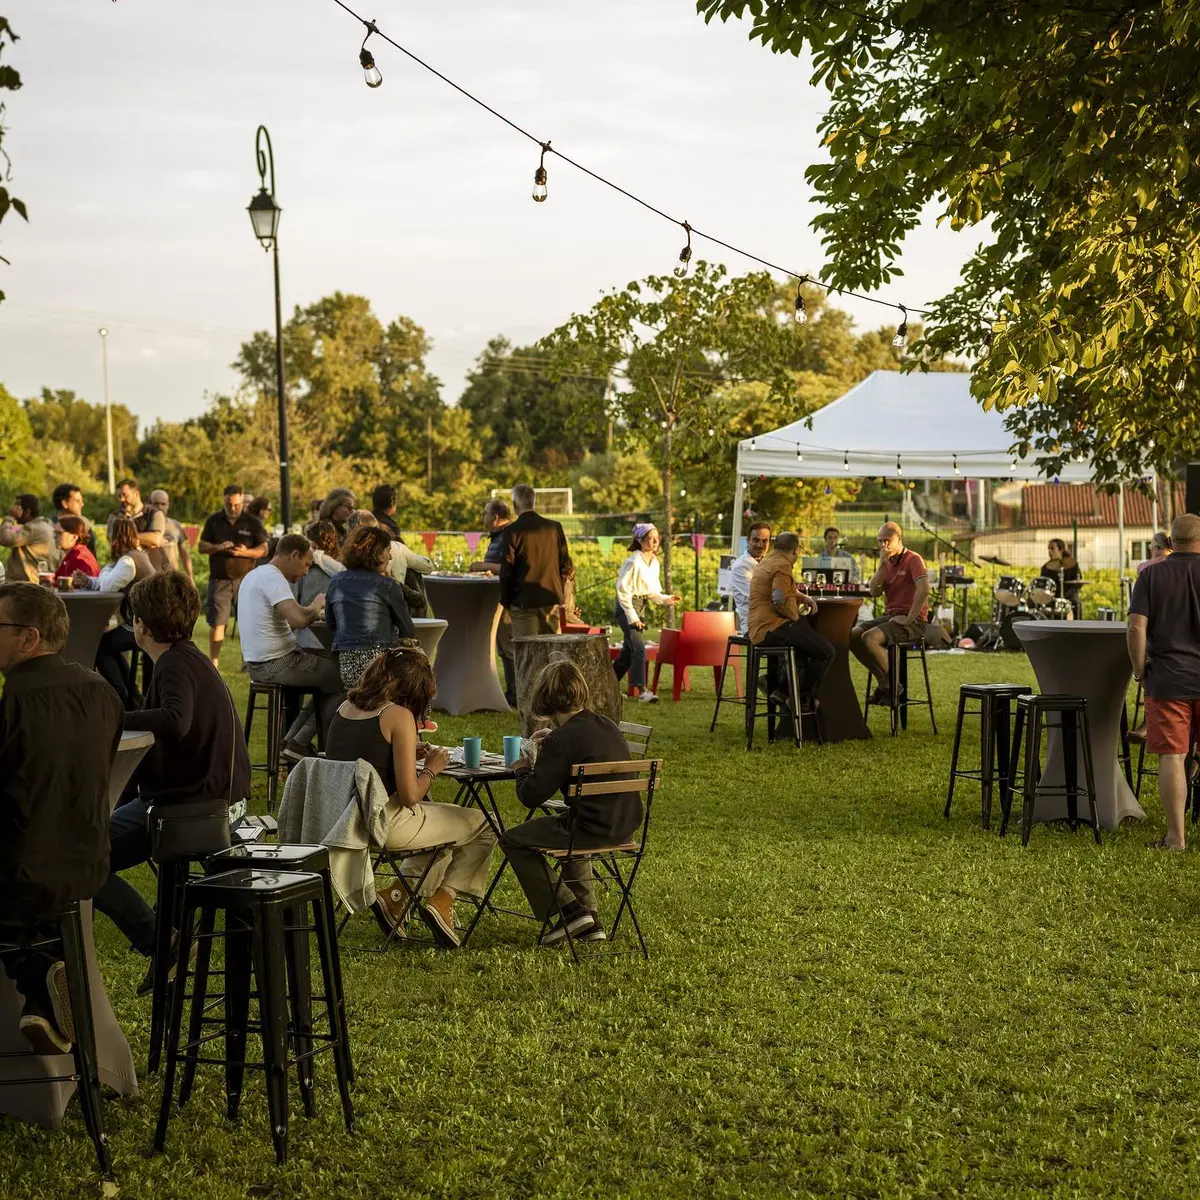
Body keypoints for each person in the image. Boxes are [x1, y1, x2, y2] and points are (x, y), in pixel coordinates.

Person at [94, 571, 250, 992]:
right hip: (207, 796)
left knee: (81, 855)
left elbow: (176, 720)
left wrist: (115, 717)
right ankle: (162, 942)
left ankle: (161, 941)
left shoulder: (175, 664)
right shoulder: (187, 656)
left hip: (196, 806)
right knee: (90, 839)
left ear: (140, 624)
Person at [0, 583, 123, 1053]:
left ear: (29, 638)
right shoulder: (104, 693)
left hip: (21, 873)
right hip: (88, 865)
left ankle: (41, 971)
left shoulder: (15, 704)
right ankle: (46, 985)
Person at [325, 645, 496, 948]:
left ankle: (395, 899)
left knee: (441, 840)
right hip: (386, 825)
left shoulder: (342, 709)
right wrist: (431, 768)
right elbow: (410, 796)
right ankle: (443, 900)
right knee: (484, 824)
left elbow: (366, 758)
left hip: (346, 823)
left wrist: (403, 753)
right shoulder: (398, 715)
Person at [501, 658, 636, 946]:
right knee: (572, 836)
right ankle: (590, 923)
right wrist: (555, 740)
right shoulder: (606, 725)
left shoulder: (560, 741)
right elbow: (580, 745)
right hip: (625, 825)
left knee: (512, 839)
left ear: (544, 698)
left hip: (589, 829)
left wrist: (522, 768)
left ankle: (568, 910)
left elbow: (531, 796)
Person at [1128, 513, 1200, 851]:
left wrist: (1140, 670)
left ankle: (1175, 838)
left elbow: (1135, 628)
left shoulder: (1151, 575)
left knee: (1173, 757)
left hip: (1168, 679)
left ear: (1169, 543)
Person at [237, 533, 342, 754]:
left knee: (331, 671)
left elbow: (289, 621)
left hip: (263, 663)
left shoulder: (257, 574)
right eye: (305, 565)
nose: (305, 572)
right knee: (348, 676)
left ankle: (291, 741)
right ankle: (299, 741)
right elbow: (300, 619)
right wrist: (317, 605)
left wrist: (312, 611)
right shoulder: (272, 577)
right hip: (278, 664)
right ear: (294, 555)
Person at [75, 516, 156, 706]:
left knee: (100, 646)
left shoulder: (128, 561)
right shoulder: (136, 556)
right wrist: (88, 581)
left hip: (146, 625)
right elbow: (106, 581)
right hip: (148, 621)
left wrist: (105, 570)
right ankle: (130, 695)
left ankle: (123, 695)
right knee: (107, 644)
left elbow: (106, 586)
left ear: (115, 539)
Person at [747, 530, 833, 707]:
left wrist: (802, 598)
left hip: (757, 628)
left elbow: (782, 589)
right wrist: (795, 617)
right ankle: (801, 698)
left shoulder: (768, 560)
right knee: (825, 652)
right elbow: (779, 600)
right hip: (771, 627)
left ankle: (781, 689)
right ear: (795, 550)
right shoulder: (783, 566)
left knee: (804, 649)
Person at [324, 525, 416, 687]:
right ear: (378, 553)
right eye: (388, 551)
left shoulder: (336, 581)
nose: (391, 557)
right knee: (420, 674)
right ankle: (414, 713)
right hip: (380, 667)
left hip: (347, 668)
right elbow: (408, 630)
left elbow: (331, 623)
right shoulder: (388, 585)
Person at [850, 522, 930, 704]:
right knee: (852, 636)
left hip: (914, 621)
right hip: (891, 616)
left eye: (887, 540)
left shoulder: (913, 559)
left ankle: (894, 686)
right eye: (880, 541)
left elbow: (924, 590)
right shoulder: (886, 563)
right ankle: (885, 682)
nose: (883, 546)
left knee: (870, 638)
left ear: (899, 539)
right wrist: (881, 566)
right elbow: (874, 592)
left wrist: (910, 618)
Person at [197, 485, 270, 669]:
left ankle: (247, 661)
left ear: (242, 501)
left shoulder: (252, 522)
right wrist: (218, 547)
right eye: (230, 504)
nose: (233, 508)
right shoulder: (214, 521)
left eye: (237, 504)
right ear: (224, 500)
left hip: (246, 579)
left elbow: (264, 549)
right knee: (218, 622)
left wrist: (247, 552)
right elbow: (201, 546)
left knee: (247, 621)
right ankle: (214, 662)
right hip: (219, 578)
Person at [613, 523, 680, 703]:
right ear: (640, 541)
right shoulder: (633, 561)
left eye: (657, 537)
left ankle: (607, 686)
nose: (655, 541)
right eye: (650, 538)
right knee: (639, 647)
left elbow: (652, 593)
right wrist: (632, 616)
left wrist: (667, 599)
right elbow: (622, 590)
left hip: (640, 605)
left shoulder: (655, 563)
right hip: (626, 607)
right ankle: (642, 691)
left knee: (628, 651)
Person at [500, 483, 573, 637]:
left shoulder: (511, 531)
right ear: (535, 503)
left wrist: (506, 601)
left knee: (527, 652)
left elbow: (507, 570)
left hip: (523, 601)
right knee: (553, 652)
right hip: (551, 598)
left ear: (514, 505)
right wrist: (558, 590)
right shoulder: (555, 527)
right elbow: (566, 565)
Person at [471, 499, 516, 702]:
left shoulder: (508, 535)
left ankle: (516, 694)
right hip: (497, 597)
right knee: (503, 648)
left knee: (509, 647)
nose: (483, 517)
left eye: (485, 513)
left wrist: (482, 566)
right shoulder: (498, 536)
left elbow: (508, 568)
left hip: (506, 598)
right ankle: (512, 692)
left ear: (495, 517)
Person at [294, 519, 345, 651]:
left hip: (306, 635)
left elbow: (294, 600)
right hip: (333, 635)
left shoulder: (303, 567)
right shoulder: (340, 568)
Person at [107, 478, 167, 571]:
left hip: (154, 571)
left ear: (136, 494)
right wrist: (145, 540)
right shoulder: (114, 517)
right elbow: (114, 542)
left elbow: (156, 539)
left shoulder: (155, 513)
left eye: (125, 495)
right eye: (119, 496)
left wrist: (126, 537)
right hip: (125, 572)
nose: (122, 499)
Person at [1, 494, 58, 582]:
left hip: (26, 585)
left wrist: (10, 517)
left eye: (17, 508)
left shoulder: (33, 528)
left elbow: (5, 539)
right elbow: (14, 532)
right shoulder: (42, 525)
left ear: (27, 512)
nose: (13, 510)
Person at [730, 522, 771, 636]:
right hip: (754, 627)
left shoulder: (770, 562)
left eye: (764, 541)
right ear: (748, 540)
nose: (760, 545)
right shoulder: (740, 567)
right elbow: (757, 597)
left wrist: (803, 597)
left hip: (772, 622)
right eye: (756, 540)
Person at [148, 489, 194, 582]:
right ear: (150, 505)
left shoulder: (175, 525)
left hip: (172, 578)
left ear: (168, 505)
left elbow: (184, 553)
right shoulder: (144, 525)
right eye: (156, 504)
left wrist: (190, 576)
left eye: (163, 504)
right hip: (151, 579)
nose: (159, 507)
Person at [51, 482, 97, 555]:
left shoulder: (84, 524)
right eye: (77, 501)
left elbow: (91, 553)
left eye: (82, 501)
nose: (82, 504)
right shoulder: (49, 525)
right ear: (65, 503)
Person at [1042, 537, 1082, 615]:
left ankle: (1077, 625)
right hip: (1051, 596)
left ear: (1061, 549)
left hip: (1069, 596)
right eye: (1048, 548)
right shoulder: (1045, 568)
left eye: (1052, 548)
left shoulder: (1072, 565)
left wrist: (1065, 596)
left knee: (1076, 602)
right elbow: (1043, 584)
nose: (1049, 551)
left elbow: (1077, 583)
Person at [54, 515, 100, 580]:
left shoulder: (80, 559)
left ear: (74, 537)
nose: (54, 536)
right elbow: (56, 580)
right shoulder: (72, 555)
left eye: (59, 533)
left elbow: (81, 588)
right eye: (54, 532)